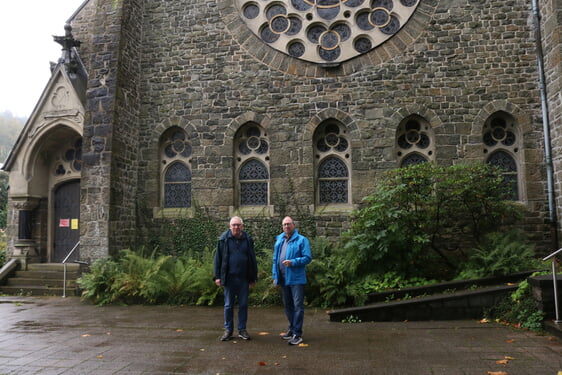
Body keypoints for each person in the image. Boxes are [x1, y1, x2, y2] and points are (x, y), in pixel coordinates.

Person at [213, 216, 258, 341]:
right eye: (234, 225)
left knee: (243, 305)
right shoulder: (223, 239)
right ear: (230, 226)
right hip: (229, 278)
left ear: (242, 226)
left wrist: (253, 277)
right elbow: (218, 259)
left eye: (238, 225)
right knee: (228, 305)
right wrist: (217, 276)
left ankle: (242, 330)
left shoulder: (248, 239)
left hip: (244, 278)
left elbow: (252, 258)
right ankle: (228, 330)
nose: (236, 227)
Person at [272, 216, 312, 346]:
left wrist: (293, 262)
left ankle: (297, 334)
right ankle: (292, 328)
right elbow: (275, 260)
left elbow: (307, 257)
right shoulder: (279, 240)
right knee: (288, 306)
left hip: (296, 279)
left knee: (298, 306)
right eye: (284, 224)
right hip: (283, 279)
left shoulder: (302, 240)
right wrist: (275, 276)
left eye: (288, 224)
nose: (286, 227)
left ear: (294, 225)